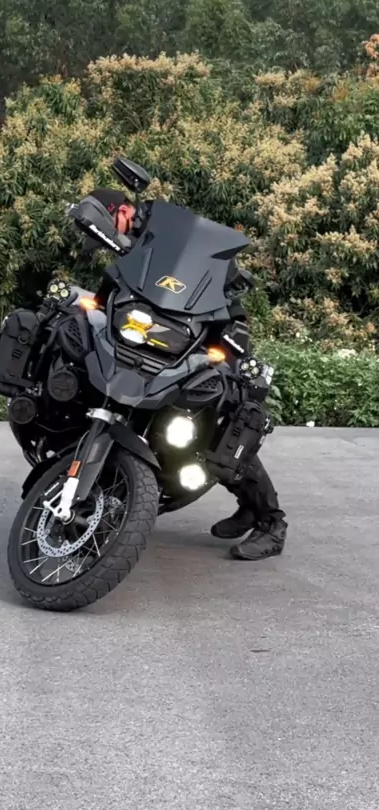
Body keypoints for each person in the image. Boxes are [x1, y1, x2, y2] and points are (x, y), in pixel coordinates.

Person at [84, 187, 288, 561]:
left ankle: (271, 523)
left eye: (109, 222)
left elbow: (191, 277)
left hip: (203, 328)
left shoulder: (164, 232)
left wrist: (228, 285)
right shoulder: (138, 244)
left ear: (123, 211)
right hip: (155, 332)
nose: (107, 236)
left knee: (224, 423)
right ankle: (244, 507)